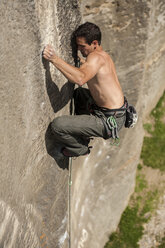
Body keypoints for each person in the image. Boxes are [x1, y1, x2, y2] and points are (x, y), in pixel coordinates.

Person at [43, 22, 127, 157]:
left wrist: (54, 59)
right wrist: (81, 62)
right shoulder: (103, 56)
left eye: (82, 46)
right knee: (79, 94)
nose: (79, 49)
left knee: (57, 126)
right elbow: (91, 69)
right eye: (78, 45)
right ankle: (84, 133)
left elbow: (80, 79)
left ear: (94, 43)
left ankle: (80, 148)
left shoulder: (95, 57)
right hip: (116, 112)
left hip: (108, 121)